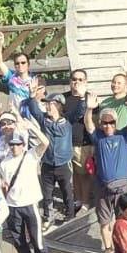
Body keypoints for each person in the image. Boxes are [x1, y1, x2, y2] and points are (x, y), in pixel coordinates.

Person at [0, 128, 52, 253]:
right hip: (12, 205)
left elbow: (45, 142)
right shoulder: (4, 163)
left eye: (18, 144)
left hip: (30, 203)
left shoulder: (31, 155)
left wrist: (32, 127)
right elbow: (4, 185)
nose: (14, 147)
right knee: (18, 237)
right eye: (12, 144)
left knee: (36, 236)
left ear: (23, 144)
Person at [86, 98, 127, 253]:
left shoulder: (123, 136)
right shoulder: (98, 137)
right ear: (101, 123)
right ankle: (108, 249)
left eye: (111, 122)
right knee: (104, 221)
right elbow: (88, 125)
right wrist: (89, 109)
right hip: (102, 187)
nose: (108, 125)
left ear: (116, 123)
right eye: (105, 122)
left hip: (122, 186)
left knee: (126, 218)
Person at [60, 68, 96, 215]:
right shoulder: (63, 98)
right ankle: (78, 200)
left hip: (84, 143)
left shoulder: (91, 98)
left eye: (80, 80)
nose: (76, 82)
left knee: (85, 174)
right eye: (74, 79)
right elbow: (65, 118)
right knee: (74, 175)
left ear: (85, 82)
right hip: (67, 143)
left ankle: (86, 202)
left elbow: (95, 121)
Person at [37, 97, 77, 228]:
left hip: (64, 164)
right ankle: (48, 217)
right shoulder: (44, 120)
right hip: (47, 164)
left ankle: (70, 216)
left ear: (59, 106)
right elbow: (33, 109)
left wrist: (83, 99)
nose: (47, 106)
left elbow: (80, 109)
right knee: (47, 194)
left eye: (51, 104)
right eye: (46, 103)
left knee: (67, 192)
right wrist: (32, 97)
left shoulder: (67, 121)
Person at [0, 31, 44, 125]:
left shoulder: (36, 79)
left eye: (23, 62)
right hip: (16, 117)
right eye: (17, 63)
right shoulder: (11, 77)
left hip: (32, 117)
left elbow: (40, 98)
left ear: (28, 64)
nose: (20, 65)